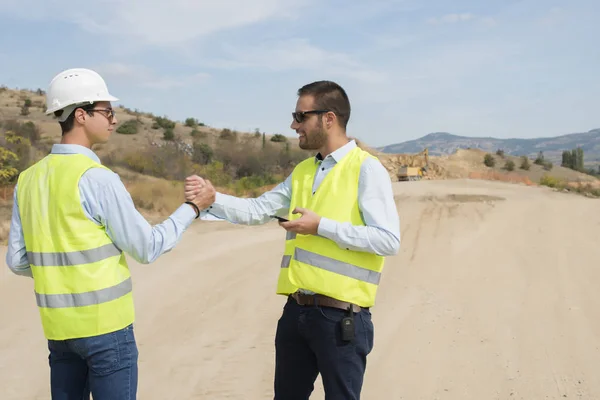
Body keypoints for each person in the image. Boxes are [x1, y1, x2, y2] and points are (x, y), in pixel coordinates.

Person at [5, 68, 215, 400]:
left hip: (59, 333)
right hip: (106, 332)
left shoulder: (28, 179)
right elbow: (147, 247)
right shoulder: (96, 178)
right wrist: (193, 208)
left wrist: (61, 276)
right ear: (80, 115)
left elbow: (17, 261)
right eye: (107, 111)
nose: (114, 120)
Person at [185, 80, 400, 399]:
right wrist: (213, 197)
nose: (293, 125)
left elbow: (387, 240)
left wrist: (321, 226)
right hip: (297, 313)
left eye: (300, 117)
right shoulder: (302, 171)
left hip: (342, 319)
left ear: (328, 118)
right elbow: (257, 210)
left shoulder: (367, 170)